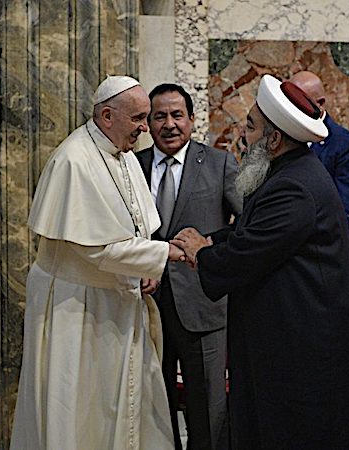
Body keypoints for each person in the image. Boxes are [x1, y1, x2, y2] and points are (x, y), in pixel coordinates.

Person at [172, 75, 349, 449]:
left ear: (274, 139)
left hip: (305, 350)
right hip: (288, 341)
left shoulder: (294, 186)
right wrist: (209, 242)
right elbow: (248, 232)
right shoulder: (287, 174)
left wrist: (202, 253)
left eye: (250, 127)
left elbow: (249, 253)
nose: (243, 138)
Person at [10, 76, 186, 450]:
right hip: (77, 309)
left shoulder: (121, 155)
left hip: (117, 303)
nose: (145, 128)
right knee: (81, 408)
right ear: (107, 115)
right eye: (139, 119)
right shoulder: (74, 160)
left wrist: (143, 271)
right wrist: (162, 254)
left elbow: (136, 225)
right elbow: (96, 250)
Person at [136, 83, 238, 450]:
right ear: (147, 123)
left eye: (177, 115)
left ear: (192, 120)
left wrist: (209, 246)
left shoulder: (219, 163)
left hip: (202, 304)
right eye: (159, 116)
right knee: (154, 405)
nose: (169, 124)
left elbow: (243, 227)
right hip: (145, 304)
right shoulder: (133, 165)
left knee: (207, 407)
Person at [288, 70, 349, 267]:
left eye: (298, 101)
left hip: (327, 258)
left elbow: (343, 208)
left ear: (320, 103)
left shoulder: (346, 145)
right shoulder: (284, 138)